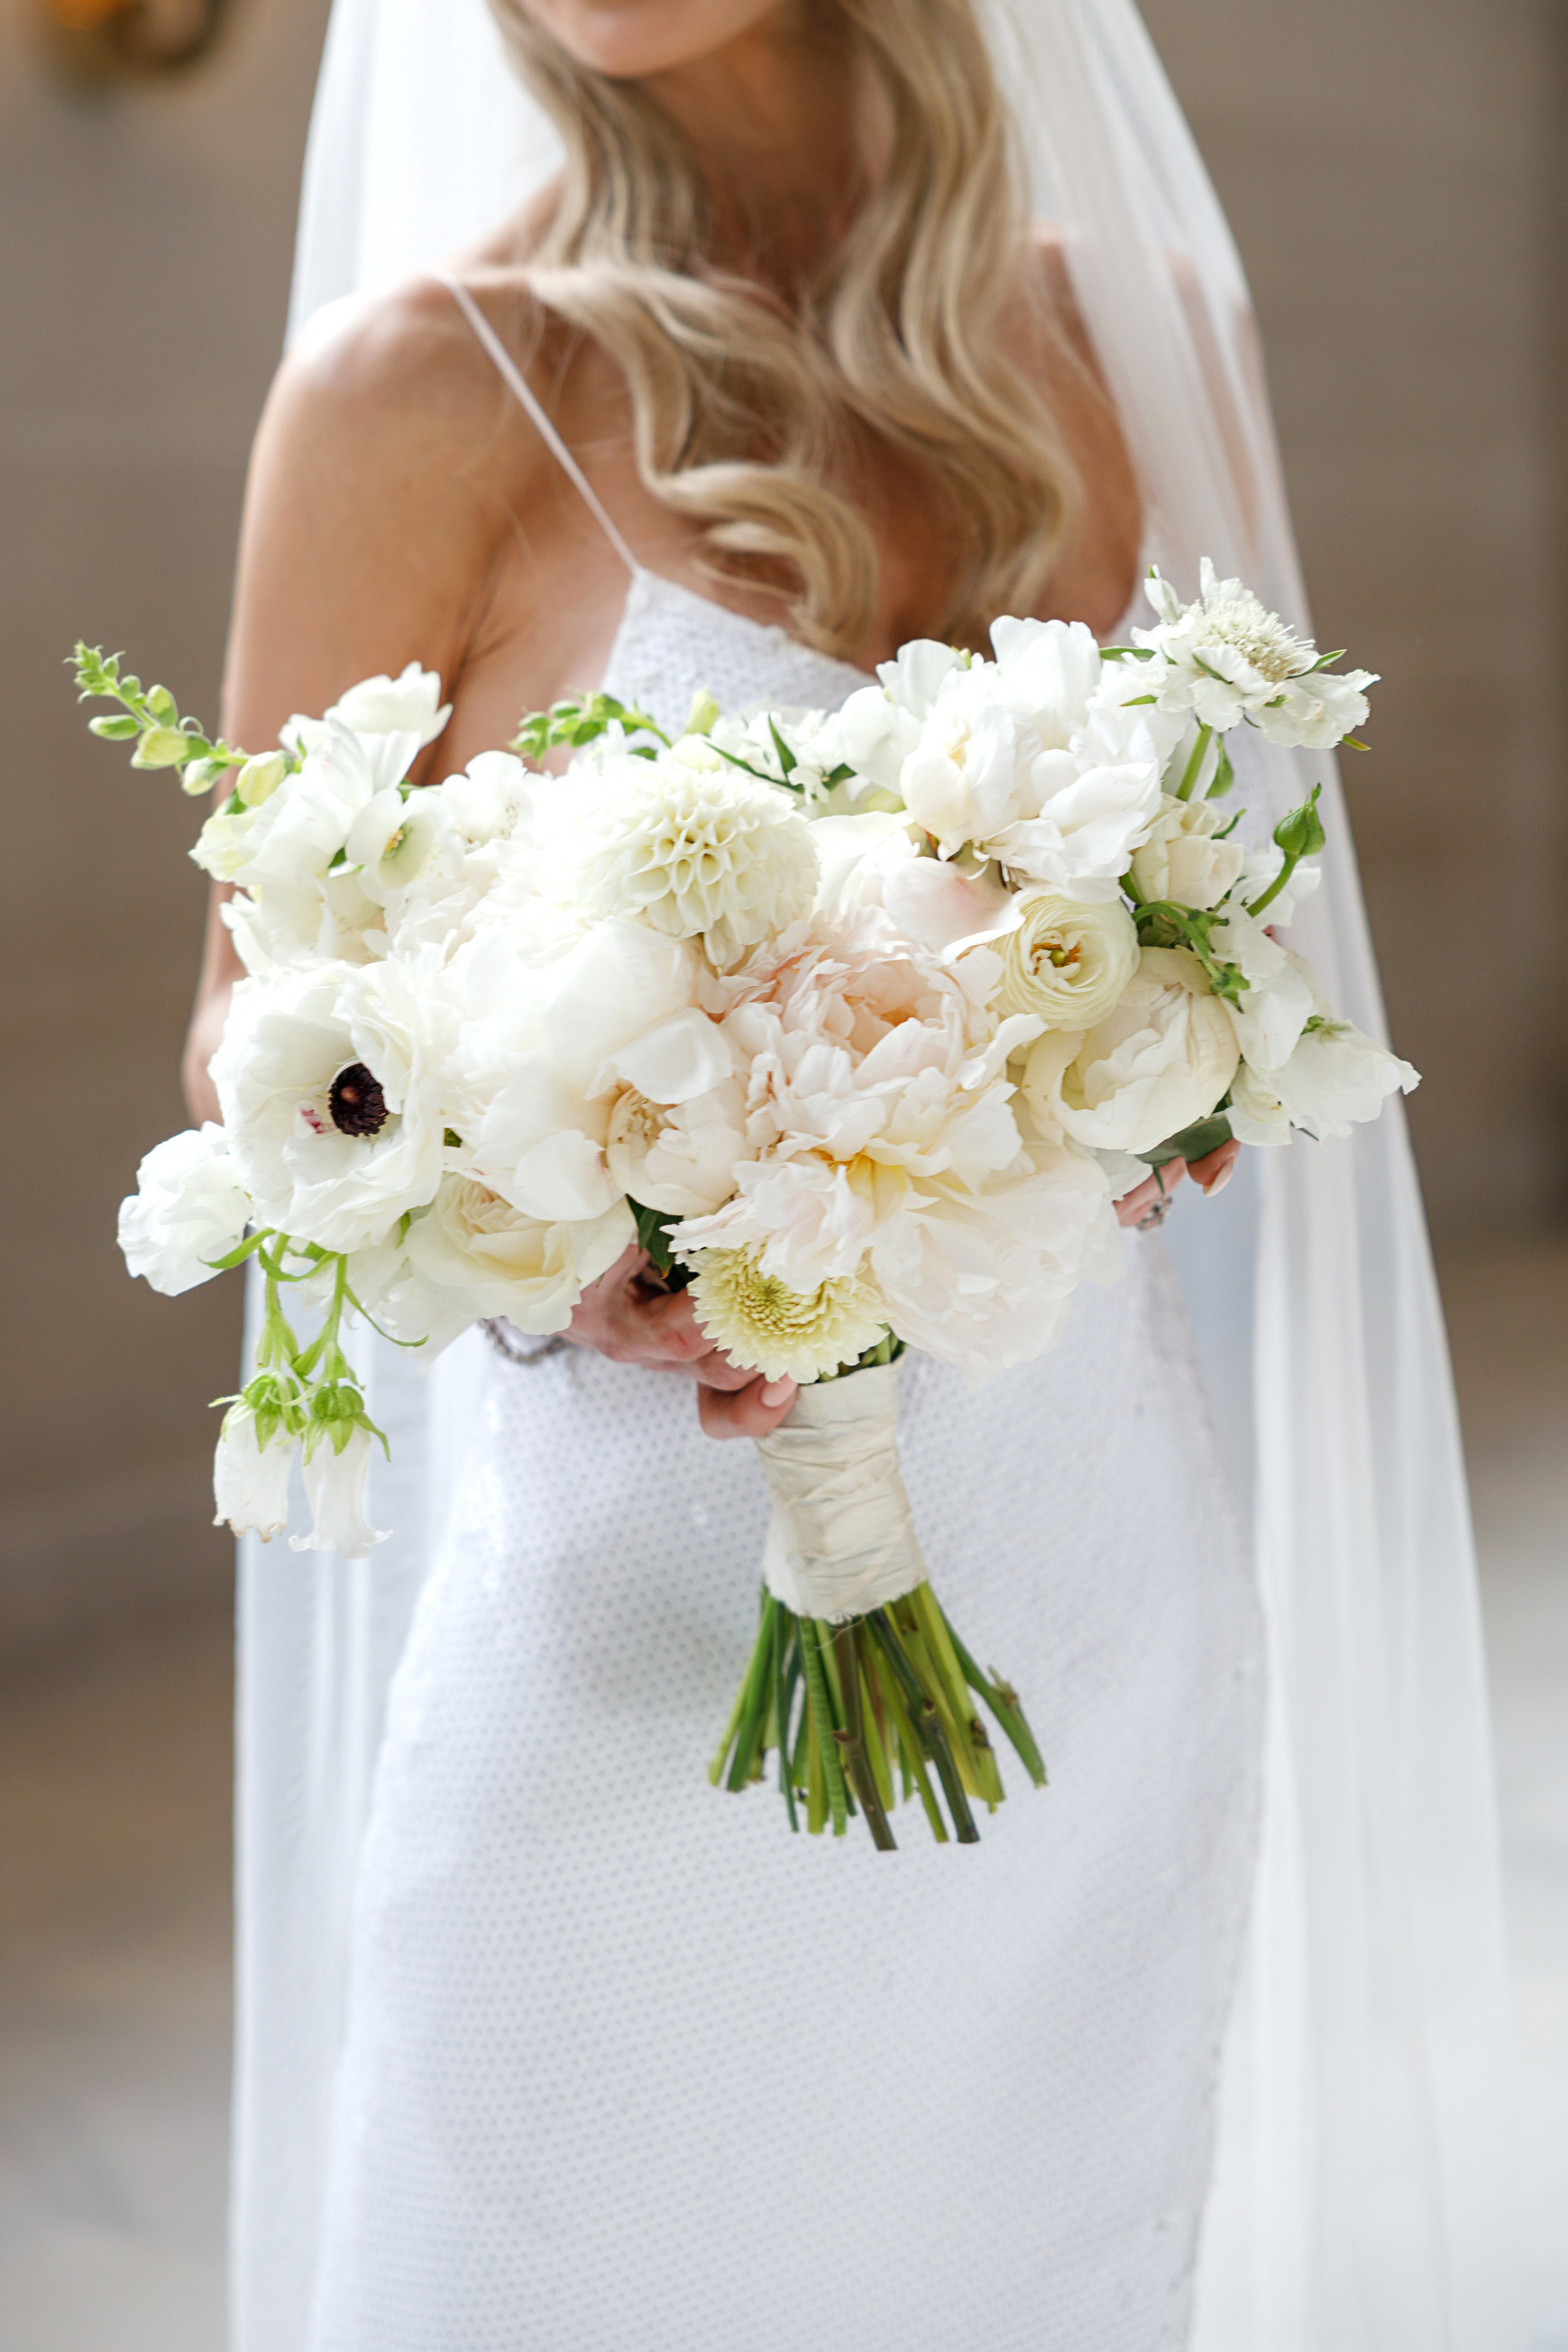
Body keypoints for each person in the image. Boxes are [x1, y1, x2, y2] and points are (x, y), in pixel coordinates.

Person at [194, 6, 1519, 2349]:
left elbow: (1245, 936)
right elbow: (256, 1032)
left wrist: (1160, 1078)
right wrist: (564, 1238)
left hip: (1086, 1610)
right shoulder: (420, 388)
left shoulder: (1144, 339)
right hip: (626, 1631)